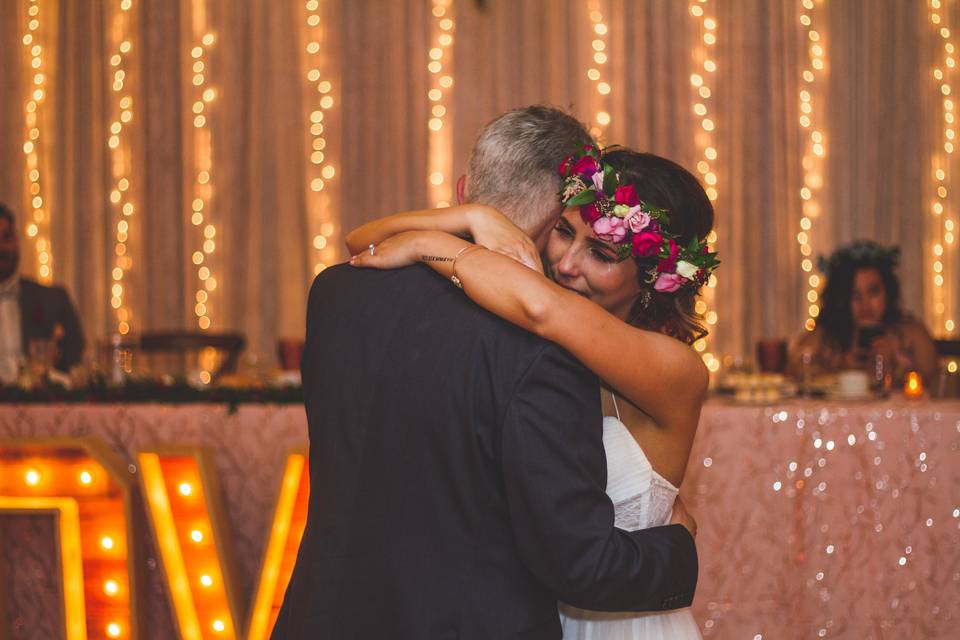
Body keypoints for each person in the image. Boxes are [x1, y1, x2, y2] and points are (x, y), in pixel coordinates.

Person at [271, 108, 699, 640]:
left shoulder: (336, 291)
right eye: (563, 232)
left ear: (655, 279)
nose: (565, 264)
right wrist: (473, 223)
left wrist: (458, 230)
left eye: (602, 252)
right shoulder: (539, 344)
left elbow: (538, 306)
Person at [786, 240, 937, 386]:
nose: (865, 304)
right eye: (854, 295)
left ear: (888, 292)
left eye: (873, 292)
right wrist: (838, 368)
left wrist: (899, 366)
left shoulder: (911, 334)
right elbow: (791, 372)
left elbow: (937, 387)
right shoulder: (826, 336)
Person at [0, 202, 84, 383]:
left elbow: (74, 358)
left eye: (6, 237)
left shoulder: (53, 300)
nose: (2, 248)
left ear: (16, 240)